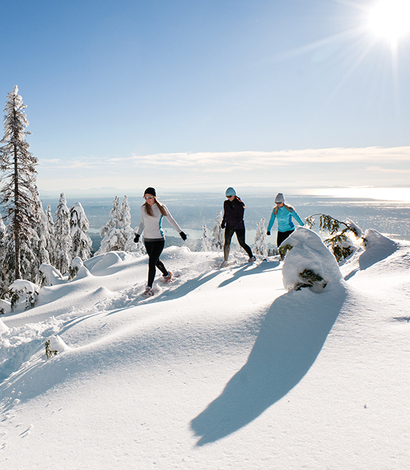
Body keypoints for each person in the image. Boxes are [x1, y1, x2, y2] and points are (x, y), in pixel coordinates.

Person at [134, 187, 187, 297]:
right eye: (146, 197)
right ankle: (167, 275)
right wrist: (138, 235)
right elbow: (142, 223)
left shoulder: (161, 208)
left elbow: (171, 220)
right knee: (156, 261)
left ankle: (149, 287)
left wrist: (180, 232)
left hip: (158, 240)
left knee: (151, 262)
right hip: (147, 240)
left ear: (154, 197)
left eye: (150, 197)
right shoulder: (143, 208)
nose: (148, 199)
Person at [221, 187, 255, 266]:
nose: (228, 198)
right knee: (227, 243)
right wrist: (223, 222)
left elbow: (240, 217)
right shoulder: (226, 203)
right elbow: (226, 213)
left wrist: (235, 226)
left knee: (242, 243)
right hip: (229, 226)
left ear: (234, 195)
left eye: (230, 196)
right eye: (227, 197)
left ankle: (251, 256)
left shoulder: (240, 204)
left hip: (239, 227)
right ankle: (225, 260)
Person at [266, 192, 304, 259]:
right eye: (277, 203)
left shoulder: (289, 209)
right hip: (280, 230)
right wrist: (268, 229)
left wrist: (303, 226)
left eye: (279, 203)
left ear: (283, 202)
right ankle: (282, 259)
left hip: (289, 230)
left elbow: (297, 217)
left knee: (286, 245)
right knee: (279, 246)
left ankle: (291, 258)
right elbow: (271, 220)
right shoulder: (275, 210)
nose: (278, 204)